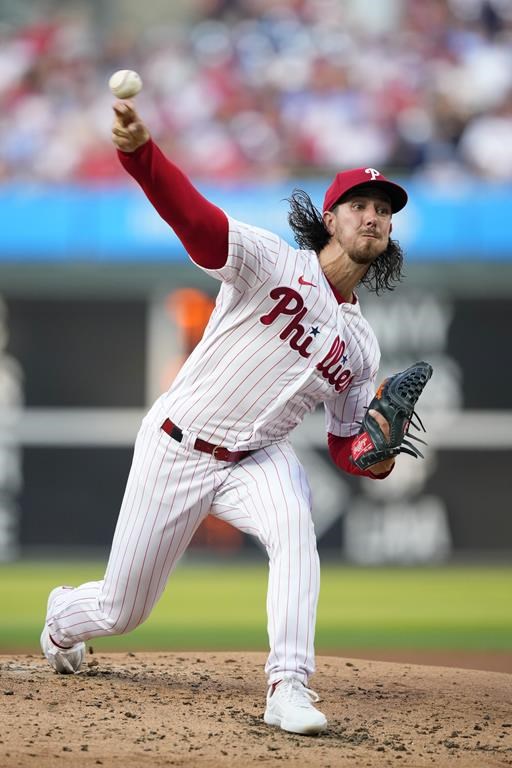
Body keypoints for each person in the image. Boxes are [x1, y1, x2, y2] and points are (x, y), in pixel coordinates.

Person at [40, 100, 409, 736]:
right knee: (122, 609)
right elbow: (196, 220)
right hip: (178, 444)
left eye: (383, 210)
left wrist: (378, 452)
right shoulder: (273, 264)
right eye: (360, 205)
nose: (373, 217)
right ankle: (63, 616)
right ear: (330, 218)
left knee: (296, 528)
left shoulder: (362, 345)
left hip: (257, 457)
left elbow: (349, 445)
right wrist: (139, 154)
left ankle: (288, 686)